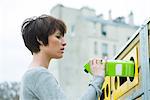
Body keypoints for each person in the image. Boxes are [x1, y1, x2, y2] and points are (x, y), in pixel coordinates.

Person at [20, 14, 105, 100]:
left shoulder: (31, 75)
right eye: (58, 36)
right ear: (40, 39)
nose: (64, 42)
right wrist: (98, 78)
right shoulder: (38, 74)